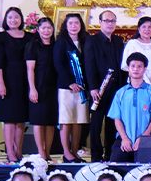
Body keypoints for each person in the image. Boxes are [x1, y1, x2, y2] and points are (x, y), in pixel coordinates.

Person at [85, 10, 125, 163]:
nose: (110, 24)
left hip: (116, 88)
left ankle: (109, 153)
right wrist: (93, 87)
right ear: (100, 22)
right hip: (99, 89)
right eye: (107, 20)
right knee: (96, 122)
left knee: (112, 122)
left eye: (113, 21)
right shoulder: (92, 40)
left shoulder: (118, 41)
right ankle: (96, 155)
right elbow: (89, 65)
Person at [0, 7, 32, 163]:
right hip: (8, 79)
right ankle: (9, 152)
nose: (13, 20)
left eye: (16, 17)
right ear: (6, 20)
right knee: (9, 118)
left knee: (21, 118)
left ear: (21, 19)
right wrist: (0, 83)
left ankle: (19, 151)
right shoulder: (1, 37)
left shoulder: (29, 37)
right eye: (10, 17)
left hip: (25, 80)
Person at [107, 52, 151, 163]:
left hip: (147, 138)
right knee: (115, 165)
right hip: (124, 138)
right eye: (133, 66)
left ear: (145, 69)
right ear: (128, 69)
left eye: (140, 66)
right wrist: (124, 138)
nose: (136, 69)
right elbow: (117, 118)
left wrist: (144, 136)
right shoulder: (121, 93)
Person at [54, 13, 90, 162]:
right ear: (66, 25)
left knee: (78, 120)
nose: (74, 26)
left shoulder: (85, 40)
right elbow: (58, 63)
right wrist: (70, 82)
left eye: (77, 23)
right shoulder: (61, 41)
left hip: (82, 87)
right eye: (71, 23)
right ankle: (66, 152)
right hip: (66, 87)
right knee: (66, 120)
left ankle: (75, 152)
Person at [26, 16, 59, 160]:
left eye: (49, 28)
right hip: (39, 86)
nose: (46, 31)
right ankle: (41, 152)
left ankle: (47, 151)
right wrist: (32, 88)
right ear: (38, 30)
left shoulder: (56, 46)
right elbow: (30, 69)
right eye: (43, 28)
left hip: (53, 87)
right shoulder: (32, 46)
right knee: (39, 121)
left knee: (50, 122)